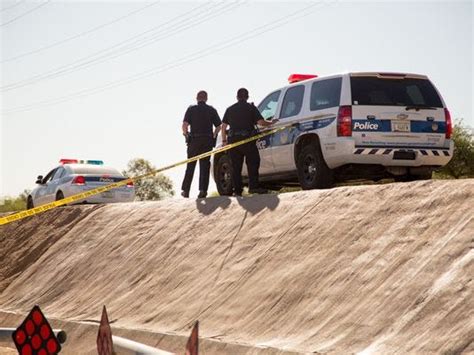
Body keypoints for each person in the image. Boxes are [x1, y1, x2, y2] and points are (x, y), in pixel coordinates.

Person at [221, 88, 278, 196]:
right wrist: (271, 122)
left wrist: (224, 141)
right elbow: (261, 122)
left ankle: (237, 191)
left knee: (235, 167)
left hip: (233, 141)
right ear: (247, 97)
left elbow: (223, 127)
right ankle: (253, 187)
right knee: (253, 162)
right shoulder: (251, 108)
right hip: (247, 141)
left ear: (237, 97)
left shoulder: (230, 109)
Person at [181, 90, 221, 199]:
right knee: (204, 166)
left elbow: (184, 125)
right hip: (207, 140)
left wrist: (186, 135)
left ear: (197, 98)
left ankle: (186, 190)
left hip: (194, 140)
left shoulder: (191, 109)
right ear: (206, 98)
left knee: (190, 165)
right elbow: (219, 126)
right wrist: (214, 134)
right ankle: (203, 190)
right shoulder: (211, 110)